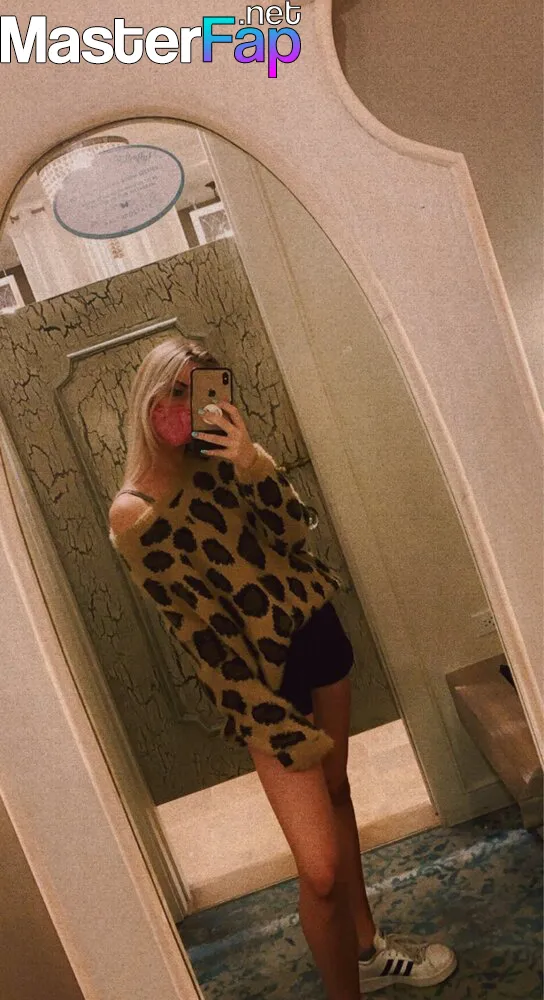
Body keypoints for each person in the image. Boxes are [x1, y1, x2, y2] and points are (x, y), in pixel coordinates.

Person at [109, 337, 457, 999]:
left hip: (316, 637)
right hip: (260, 692)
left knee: (339, 792)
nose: (187, 406)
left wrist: (251, 462)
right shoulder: (136, 513)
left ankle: (368, 950)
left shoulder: (226, 460)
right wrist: (268, 722)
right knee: (318, 872)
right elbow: (203, 640)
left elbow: (294, 536)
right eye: (175, 392)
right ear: (148, 401)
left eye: (200, 389)